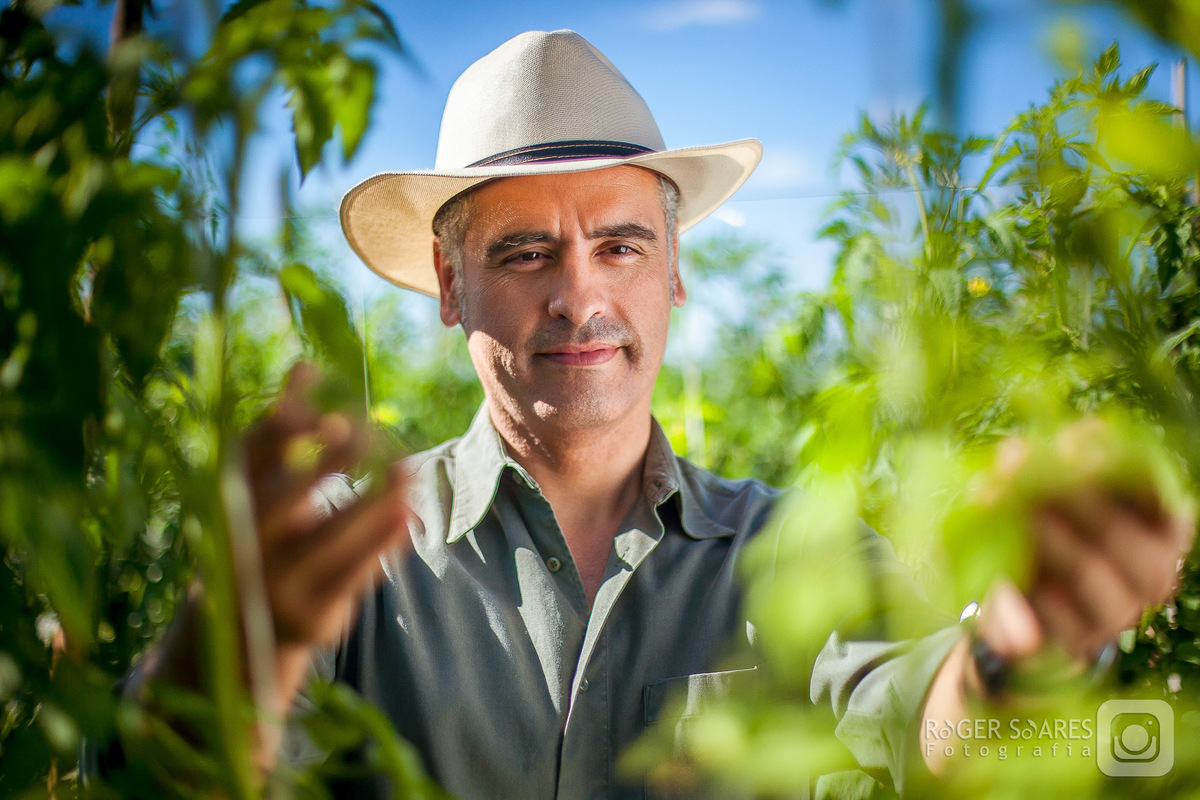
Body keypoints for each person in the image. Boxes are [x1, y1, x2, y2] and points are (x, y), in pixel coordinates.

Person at [124, 29, 1194, 800]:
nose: (579, 295)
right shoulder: (347, 551)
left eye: (620, 246)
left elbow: (926, 727)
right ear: (451, 287)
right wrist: (223, 663)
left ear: (673, 272)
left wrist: (1017, 648)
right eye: (524, 252)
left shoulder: (795, 549)